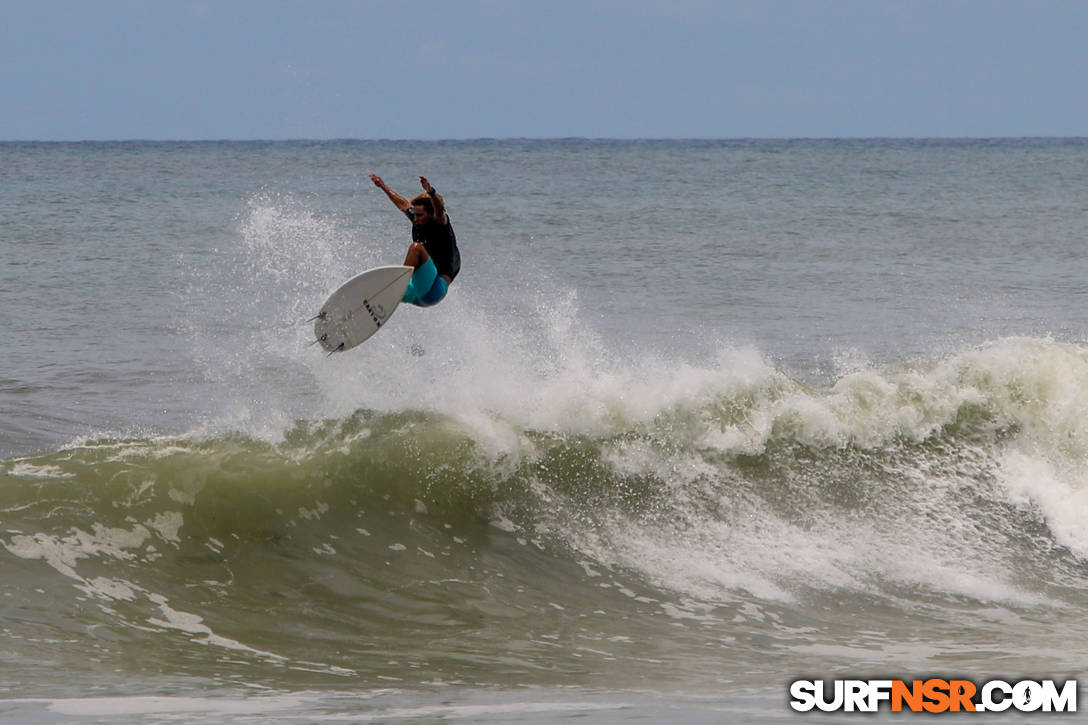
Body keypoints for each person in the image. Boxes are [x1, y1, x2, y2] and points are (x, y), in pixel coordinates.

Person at [368, 173, 461, 307]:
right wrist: (383, 186)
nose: (415, 219)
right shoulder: (418, 221)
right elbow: (403, 204)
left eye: (420, 215)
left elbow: (439, 211)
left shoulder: (440, 224)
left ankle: (398, 287)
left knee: (416, 248)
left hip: (434, 290)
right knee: (375, 285)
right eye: (415, 215)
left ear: (430, 214)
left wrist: (431, 192)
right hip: (415, 291)